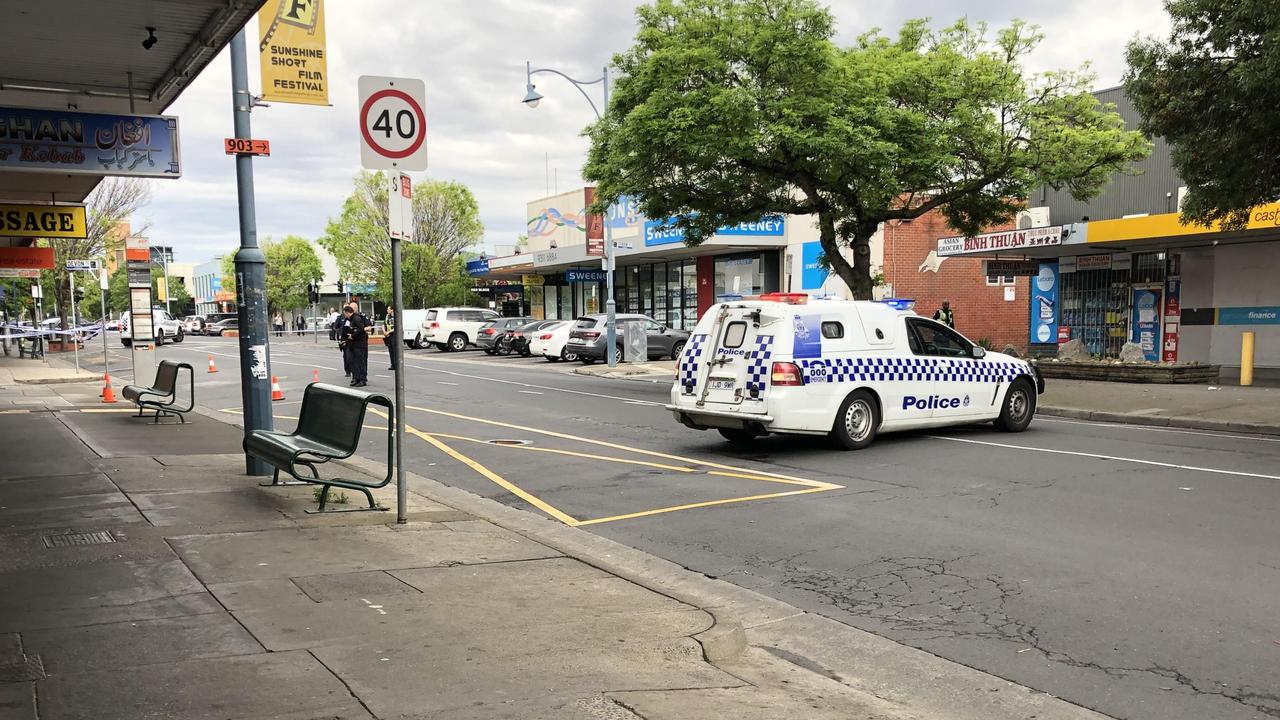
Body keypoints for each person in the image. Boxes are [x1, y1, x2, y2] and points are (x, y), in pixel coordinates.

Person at [341, 303, 371, 387]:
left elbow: (361, 329)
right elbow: (346, 330)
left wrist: (353, 335)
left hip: (359, 344)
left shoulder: (357, 318)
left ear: (348, 312)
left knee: (360, 362)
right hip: (351, 344)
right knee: (352, 361)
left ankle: (362, 379)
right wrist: (345, 340)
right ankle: (356, 378)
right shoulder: (349, 319)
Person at [384, 306, 398, 371]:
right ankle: (392, 364)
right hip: (388, 335)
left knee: (395, 350)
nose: (387, 310)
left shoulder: (396, 316)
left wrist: (388, 332)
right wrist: (384, 331)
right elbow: (384, 324)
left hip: (394, 335)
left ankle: (396, 365)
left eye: (388, 309)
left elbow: (397, 326)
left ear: (392, 310)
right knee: (390, 350)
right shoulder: (387, 316)